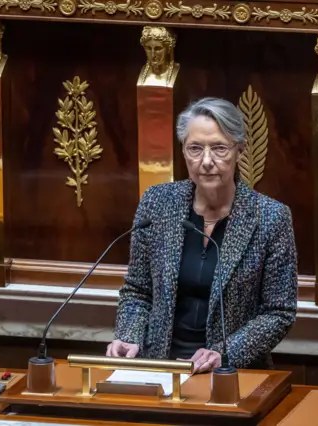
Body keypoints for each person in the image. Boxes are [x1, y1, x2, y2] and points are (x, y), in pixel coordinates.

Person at [107, 97, 298, 373]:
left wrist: (224, 354)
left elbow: (279, 312)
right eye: (195, 148)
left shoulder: (269, 217)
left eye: (219, 148)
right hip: (160, 367)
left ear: (239, 150)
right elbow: (138, 289)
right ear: (184, 152)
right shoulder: (158, 204)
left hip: (229, 372)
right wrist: (129, 336)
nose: (206, 161)